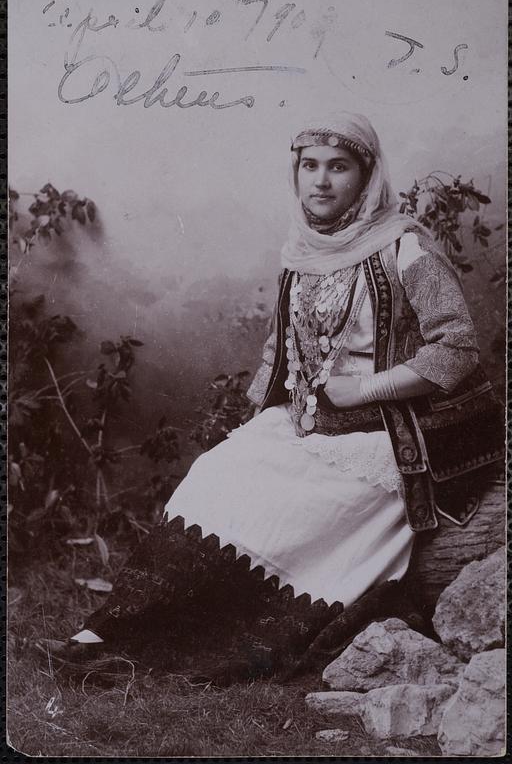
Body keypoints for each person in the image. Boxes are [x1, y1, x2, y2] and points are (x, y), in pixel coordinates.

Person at [42, 112, 503, 681]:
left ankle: (179, 648)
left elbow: (456, 348)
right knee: (212, 478)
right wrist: (254, 425)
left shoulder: (404, 250)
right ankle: (105, 633)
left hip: (386, 438)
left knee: (285, 516)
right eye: (310, 166)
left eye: (339, 167)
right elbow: (278, 350)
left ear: (367, 177)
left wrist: (364, 387)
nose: (322, 181)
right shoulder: (303, 253)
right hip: (309, 425)